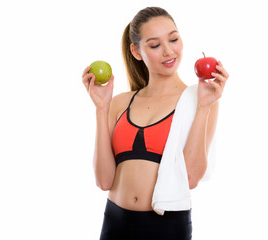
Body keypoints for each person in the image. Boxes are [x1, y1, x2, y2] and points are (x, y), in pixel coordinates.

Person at [82, 6, 229, 240]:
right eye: (155, 45)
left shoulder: (200, 100)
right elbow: (104, 180)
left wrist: (203, 107)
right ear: (137, 51)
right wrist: (102, 109)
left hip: (168, 228)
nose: (168, 51)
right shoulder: (119, 103)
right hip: (114, 224)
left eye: (174, 39)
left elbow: (190, 179)